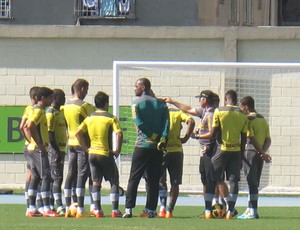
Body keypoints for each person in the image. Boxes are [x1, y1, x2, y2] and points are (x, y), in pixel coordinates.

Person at [164, 90, 229, 219]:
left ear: (205, 100)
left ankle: (226, 208)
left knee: (215, 179)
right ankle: (210, 208)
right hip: (205, 150)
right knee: (206, 179)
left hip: (211, 150)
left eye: (200, 98)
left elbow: (212, 134)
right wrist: (173, 101)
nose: (199, 101)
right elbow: (188, 109)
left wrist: (196, 135)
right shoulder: (204, 111)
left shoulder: (211, 113)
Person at [122, 78, 170, 218]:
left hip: (142, 145)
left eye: (136, 86)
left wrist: (153, 135)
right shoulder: (161, 105)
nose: (134, 88)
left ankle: (128, 209)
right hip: (157, 147)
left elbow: (139, 123)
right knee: (154, 179)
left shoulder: (135, 103)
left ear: (143, 87)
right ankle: (151, 210)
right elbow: (166, 124)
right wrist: (163, 138)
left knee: (134, 178)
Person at [76, 91, 123, 218]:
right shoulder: (110, 117)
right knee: (114, 181)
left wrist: (86, 148)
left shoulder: (89, 118)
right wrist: (117, 150)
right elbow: (119, 133)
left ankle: (97, 209)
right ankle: (115, 210)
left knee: (96, 182)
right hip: (105, 152)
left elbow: (78, 133)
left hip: (92, 153)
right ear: (106, 103)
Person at [210, 89, 248, 219]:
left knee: (215, 177)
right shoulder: (243, 115)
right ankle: (230, 211)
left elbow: (213, 132)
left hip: (222, 148)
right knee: (233, 181)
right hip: (236, 151)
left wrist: (199, 135)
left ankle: (213, 207)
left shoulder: (219, 111)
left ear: (226, 99)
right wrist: (242, 155)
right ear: (236, 100)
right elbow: (244, 138)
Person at [24, 87, 59, 217]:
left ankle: (31, 207)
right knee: (46, 176)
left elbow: (25, 126)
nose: (51, 100)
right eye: (50, 98)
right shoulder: (38, 111)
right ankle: (46, 208)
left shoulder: (35, 110)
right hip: (38, 149)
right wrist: (39, 144)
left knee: (36, 177)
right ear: (43, 98)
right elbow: (29, 126)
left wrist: (31, 141)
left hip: (32, 148)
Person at [63, 78, 96, 218]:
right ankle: (81, 208)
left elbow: (65, 125)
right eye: (86, 90)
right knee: (83, 174)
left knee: (71, 173)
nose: (86, 93)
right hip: (82, 143)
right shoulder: (84, 106)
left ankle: (69, 205)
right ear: (81, 89)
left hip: (70, 142)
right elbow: (92, 121)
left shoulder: (65, 106)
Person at [237, 96, 272, 219]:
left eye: (241, 106)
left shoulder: (249, 119)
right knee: (254, 183)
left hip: (250, 152)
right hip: (259, 154)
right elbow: (268, 139)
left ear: (246, 106)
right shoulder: (262, 119)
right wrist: (263, 152)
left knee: (251, 183)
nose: (241, 109)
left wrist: (261, 151)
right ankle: (251, 209)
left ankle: (252, 211)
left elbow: (250, 137)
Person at [157, 107, 195, 218]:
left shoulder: (160, 113)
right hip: (177, 151)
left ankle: (162, 207)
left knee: (161, 180)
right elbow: (191, 121)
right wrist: (186, 137)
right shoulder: (179, 113)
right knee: (175, 182)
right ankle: (170, 210)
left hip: (162, 150)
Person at [46, 89, 67, 216]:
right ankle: (59, 205)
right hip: (55, 150)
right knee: (57, 178)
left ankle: (51, 204)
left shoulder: (59, 112)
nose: (64, 99)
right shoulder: (50, 113)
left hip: (61, 150)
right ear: (56, 97)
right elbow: (50, 134)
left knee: (58, 178)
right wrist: (57, 151)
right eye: (63, 96)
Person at [19, 86, 39, 216]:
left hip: (28, 146)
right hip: (33, 147)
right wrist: (32, 140)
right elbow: (23, 127)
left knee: (30, 174)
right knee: (35, 174)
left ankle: (30, 204)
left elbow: (22, 126)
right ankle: (31, 206)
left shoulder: (28, 108)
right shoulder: (32, 109)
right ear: (36, 97)